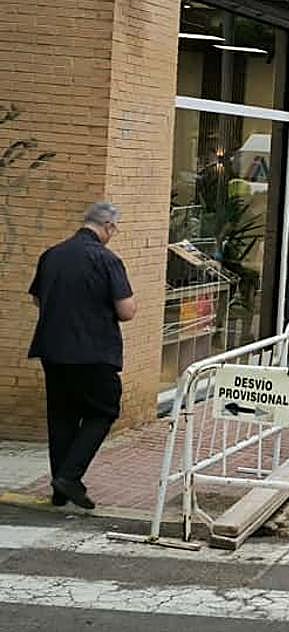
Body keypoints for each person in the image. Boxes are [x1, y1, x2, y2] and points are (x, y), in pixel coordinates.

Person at [28, 202, 137, 509]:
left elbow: (38, 298)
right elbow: (126, 311)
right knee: (103, 410)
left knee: (61, 416)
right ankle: (70, 477)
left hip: (53, 349)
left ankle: (60, 490)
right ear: (109, 227)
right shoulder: (107, 260)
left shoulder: (52, 255)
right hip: (93, 351)